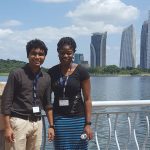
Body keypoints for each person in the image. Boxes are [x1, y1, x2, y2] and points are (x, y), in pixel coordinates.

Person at [1, 39, 54, 150]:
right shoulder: (16, 74)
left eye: (41, 54)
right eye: (33, 53)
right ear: (28, 55)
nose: (37, 57)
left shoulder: (46, 77)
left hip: (37, 123)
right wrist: (7, 127)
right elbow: (6, 102)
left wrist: (51, 126)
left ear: (44, 56)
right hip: (19, 122)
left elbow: (48, 104)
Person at [48, 37, 93, 150]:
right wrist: (51, 125)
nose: (65, 56)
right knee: (61, 147)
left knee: (80, 147)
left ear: (73, 53)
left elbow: (87, 99)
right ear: (58, 52)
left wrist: (88, 124)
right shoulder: (52, 72)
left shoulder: (82, 71)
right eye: (62, 53)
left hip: (78, 119)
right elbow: (47, 100)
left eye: (69, 53)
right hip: (59, 120)